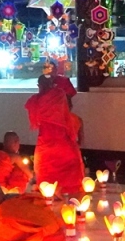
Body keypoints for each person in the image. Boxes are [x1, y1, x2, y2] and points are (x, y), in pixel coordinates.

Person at [26, 60, 84, 194]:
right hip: (62, 140)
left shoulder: (35, 100)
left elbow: (34, 120)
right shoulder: (58, 94)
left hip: (46, 143)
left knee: (45, 172)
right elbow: (64, 114)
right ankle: (70, 192)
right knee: (70, 167)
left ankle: (49, 195)